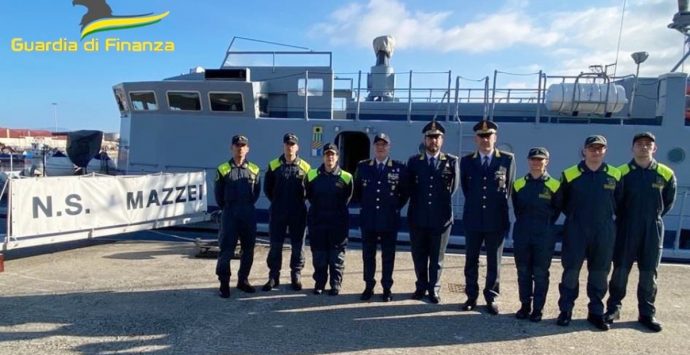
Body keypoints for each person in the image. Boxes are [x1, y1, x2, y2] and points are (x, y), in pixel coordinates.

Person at [605, 132, 676, 332]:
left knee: (649, 273)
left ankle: (646, 313)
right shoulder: (621, 173)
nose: (644, 147)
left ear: (655, 148)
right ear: (632, 148)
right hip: (626, 226)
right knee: (620, 270)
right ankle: (613, 309)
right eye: (639, 144)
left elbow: (668, 202)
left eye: (648, 144)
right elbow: (614, 201)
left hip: (652, 228)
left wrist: (652, 217)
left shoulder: (666, 173)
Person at [556, 135, 622, 331]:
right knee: (571, 271)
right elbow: (562, 202)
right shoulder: (569, 174)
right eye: (592, 148)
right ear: (584, 150)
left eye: (600, 148)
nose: (596, 151)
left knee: (600, 272)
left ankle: (595, 311)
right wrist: (577, 217)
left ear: (605, 151)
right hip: (576, 228)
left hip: (604, 230)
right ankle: (566, 310)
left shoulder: (615, 175)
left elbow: (620, 202)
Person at [460, 120, 515, 315]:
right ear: (476, 139)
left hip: (496, 219)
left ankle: (491, 296)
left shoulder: (507, 160)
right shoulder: (466, 161)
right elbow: (466, 189)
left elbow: (507, 188)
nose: (485, 139)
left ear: (495, 137)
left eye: (488, 135)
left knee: (494, 261)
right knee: (471, 260)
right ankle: (471, 296)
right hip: (473, 218)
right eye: (481, 136)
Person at [406, 121, 459, 304]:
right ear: (425, 139)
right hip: (418, 216)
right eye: (430, 137)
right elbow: (409, 187)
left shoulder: (451, 162)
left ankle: (434, 289)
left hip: (441, 218)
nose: (433, 141)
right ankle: (421, 286)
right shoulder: (414, 162)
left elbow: (454, 188)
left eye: (436, 137)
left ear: (442, 140)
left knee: (437, 257)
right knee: (419, 255)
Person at [353, 133, 409, 302]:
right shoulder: (363, 167)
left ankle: (387, 288)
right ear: (373, 147)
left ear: (389, 147)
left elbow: (404, 193)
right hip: (369, 219)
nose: (380, 147)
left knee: (388, 256)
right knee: (368, 255)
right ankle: (368, 286)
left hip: (389, 219)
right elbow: (357, 192)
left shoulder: (398, 168)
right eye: (377, 144)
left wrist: (394, 207)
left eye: (384, 144)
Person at [511, 147, 562, 322]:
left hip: (544, 234)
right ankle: (525, 306)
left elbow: (557, 209)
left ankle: (538, 309)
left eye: (540, 159)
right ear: (528, 161)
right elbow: (517, 208)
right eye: (533, 159)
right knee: (523, 272)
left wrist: (544, 225)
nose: (536, 162)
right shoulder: (518, 184)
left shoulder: (555, 185)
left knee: (540, 273)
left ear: (546, 162)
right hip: (523, 233)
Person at [262, 133, 311, 292]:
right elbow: (267, 189)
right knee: (275, 245)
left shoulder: (306, 167)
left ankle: (296, 275)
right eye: (287, 144)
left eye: (292, 144)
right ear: (283, 146)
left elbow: (309, 191)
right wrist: (278, 202)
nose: (290, 147)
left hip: (298, 212)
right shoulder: (273, 165)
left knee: (298, 245)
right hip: (278, 212)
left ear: (297, 147)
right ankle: (273, 276)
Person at [215, 135, 261, 298]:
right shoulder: (222, 169)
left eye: (243, 145)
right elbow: (218, 196)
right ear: (231, 148)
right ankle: (224, 283)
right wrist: (229, 208)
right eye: (237, 145)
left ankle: (243, 280)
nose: (240, 148)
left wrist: (246, 206)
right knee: (226, 250)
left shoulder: (255, 169)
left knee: (248, 250)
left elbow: (256, 193)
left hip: (248, 214)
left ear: (247, 149)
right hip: (230, 214)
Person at [305, 143, 354, 296]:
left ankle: (335, 284)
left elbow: (348, 197)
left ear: (337, 157)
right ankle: (319, 284)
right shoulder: (312, 175)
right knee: (319, 256)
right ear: (323, 157)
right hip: (318, 222)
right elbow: (310, 195)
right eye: (327, 154)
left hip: (337, 224)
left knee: (336, 257)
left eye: (333, 154)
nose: (330, 157)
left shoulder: (346, 177)